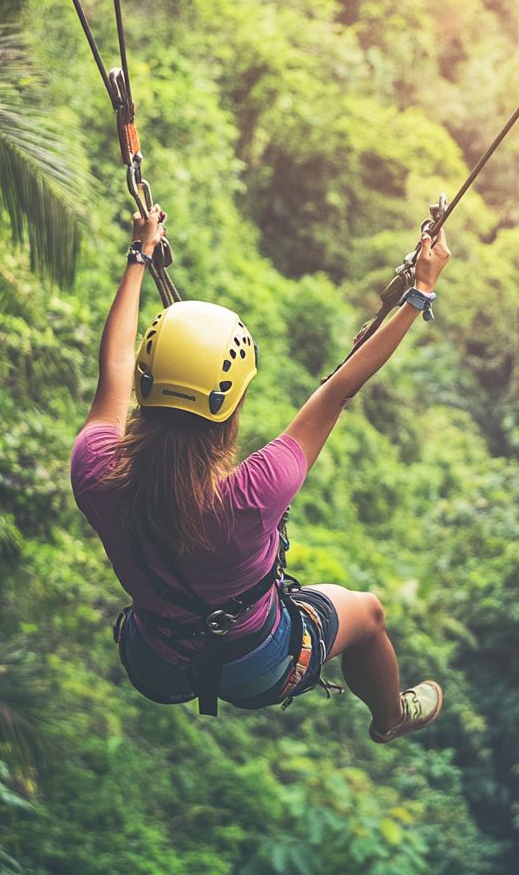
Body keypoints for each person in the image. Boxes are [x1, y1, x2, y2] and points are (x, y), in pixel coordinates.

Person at [70, 205, 451, 742]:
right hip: (262, 665)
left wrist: (139, 257)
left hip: (154, 661)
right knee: (368, 614)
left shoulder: (97, 472)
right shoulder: (251, 494)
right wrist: (419, 295)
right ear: (231, 408)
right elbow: (337, 392)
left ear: (144, 388)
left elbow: (111, 367)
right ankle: (390, 717)